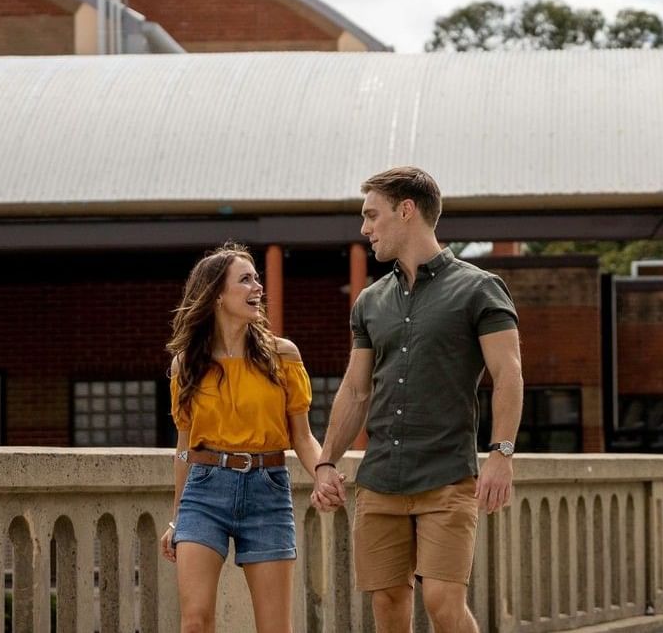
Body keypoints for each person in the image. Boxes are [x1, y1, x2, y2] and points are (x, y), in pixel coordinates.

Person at [310, 166, 525, 633]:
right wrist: (326, 461)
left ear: (406, 210)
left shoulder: (478, 288)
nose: (365, 229)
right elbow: (356, 388)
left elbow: (508, 375)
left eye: (372, 215)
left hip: (447, 477)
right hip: (381, 478)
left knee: (443, 602)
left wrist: (501, 454)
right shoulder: (370, 301)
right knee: (387, 603)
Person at [160, 243, 326, 633]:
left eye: (258, 279)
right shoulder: (186, 364)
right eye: (246, 279)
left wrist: (324, 471)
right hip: (204, 492)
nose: (258, 288)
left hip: (267, 490)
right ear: (217, 294)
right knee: (195, 621)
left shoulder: (283, 356)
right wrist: (177, 517)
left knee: (274, 627)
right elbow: (184, 449)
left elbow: (302, 437)